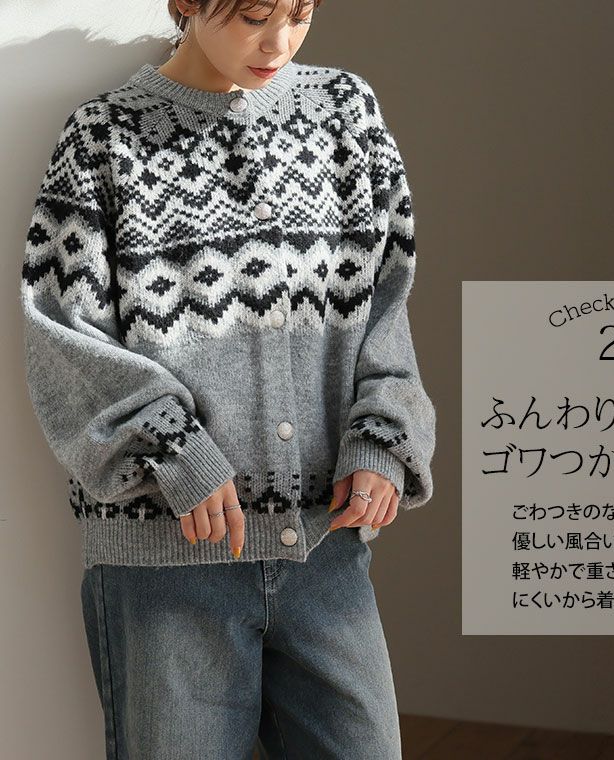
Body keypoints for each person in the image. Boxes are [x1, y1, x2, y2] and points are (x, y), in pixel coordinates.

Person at [19, 0, 436, 757]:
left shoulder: (345, 112)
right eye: (252, 16)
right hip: (166, 567)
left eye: (300, 13)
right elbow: (62, 328)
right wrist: (173, 449)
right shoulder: (104, 137)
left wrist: (384, 433)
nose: (279, 42)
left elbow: (386, 298)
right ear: (185, 3)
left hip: (325, 551)